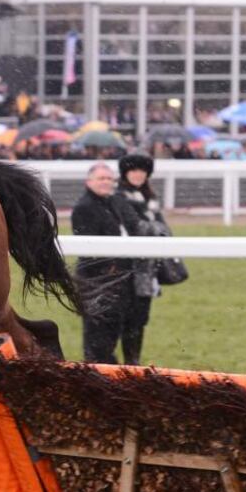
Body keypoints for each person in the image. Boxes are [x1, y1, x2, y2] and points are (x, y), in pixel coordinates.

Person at [71, 162, 160, 365]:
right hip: (98, 283)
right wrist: (112, 268)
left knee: (116, 330)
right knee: (98, 339)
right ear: (89, 181)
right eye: (101, 178)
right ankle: (100, 376)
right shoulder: (85, 207)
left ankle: (117, 373)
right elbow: (89, 248)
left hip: (118, 280)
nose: (106, 183)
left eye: (110, 179)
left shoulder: (113, 202)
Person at [114, 154, 170, 364]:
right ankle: (129, 362)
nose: (138, 174)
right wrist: (158, 229)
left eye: (142, 171)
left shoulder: (150, 199)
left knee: (139, 318)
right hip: (127, 267)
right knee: (128, 318)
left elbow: (164, 229)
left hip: (147, 269)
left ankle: (133, 361)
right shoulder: (119, 197)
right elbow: (137, 227)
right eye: (134, 170)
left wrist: (157, 229)